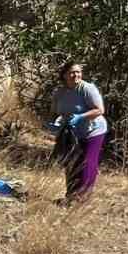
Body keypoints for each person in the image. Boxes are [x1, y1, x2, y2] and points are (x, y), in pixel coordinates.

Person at [51, 60, 109, 202]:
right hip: (71, 133)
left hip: (92, 131)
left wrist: (81, 117)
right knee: (71, 163)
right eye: (72, 72)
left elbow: (100, 110)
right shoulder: (60, 93)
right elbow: (54, 111)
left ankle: (83, 197)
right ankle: (71, 195)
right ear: (64, 75)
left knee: (87, 162)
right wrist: (55, 123)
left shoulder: (87, 89)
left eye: (78, 72)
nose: (75, 75)